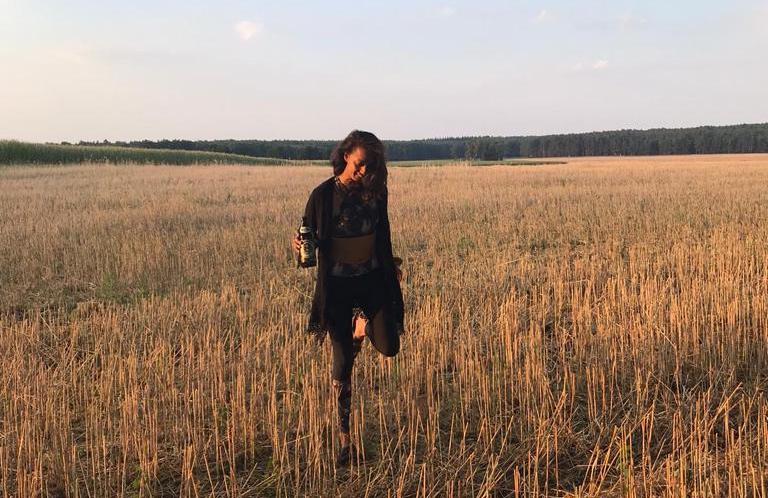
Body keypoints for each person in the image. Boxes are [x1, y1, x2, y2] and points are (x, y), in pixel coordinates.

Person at [292, 129, 405, 467]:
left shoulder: (376, 193)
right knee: (342, 365)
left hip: (372, 281)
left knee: (389, 346)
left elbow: (382, 235)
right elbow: (305, 238)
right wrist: (295, 247)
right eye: (359, 165)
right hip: (337, 289)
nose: (363, 172)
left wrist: (392, 265)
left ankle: (363, 327)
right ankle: (345, 442)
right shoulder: (322, 196)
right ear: (344, 156)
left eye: (370, 167)